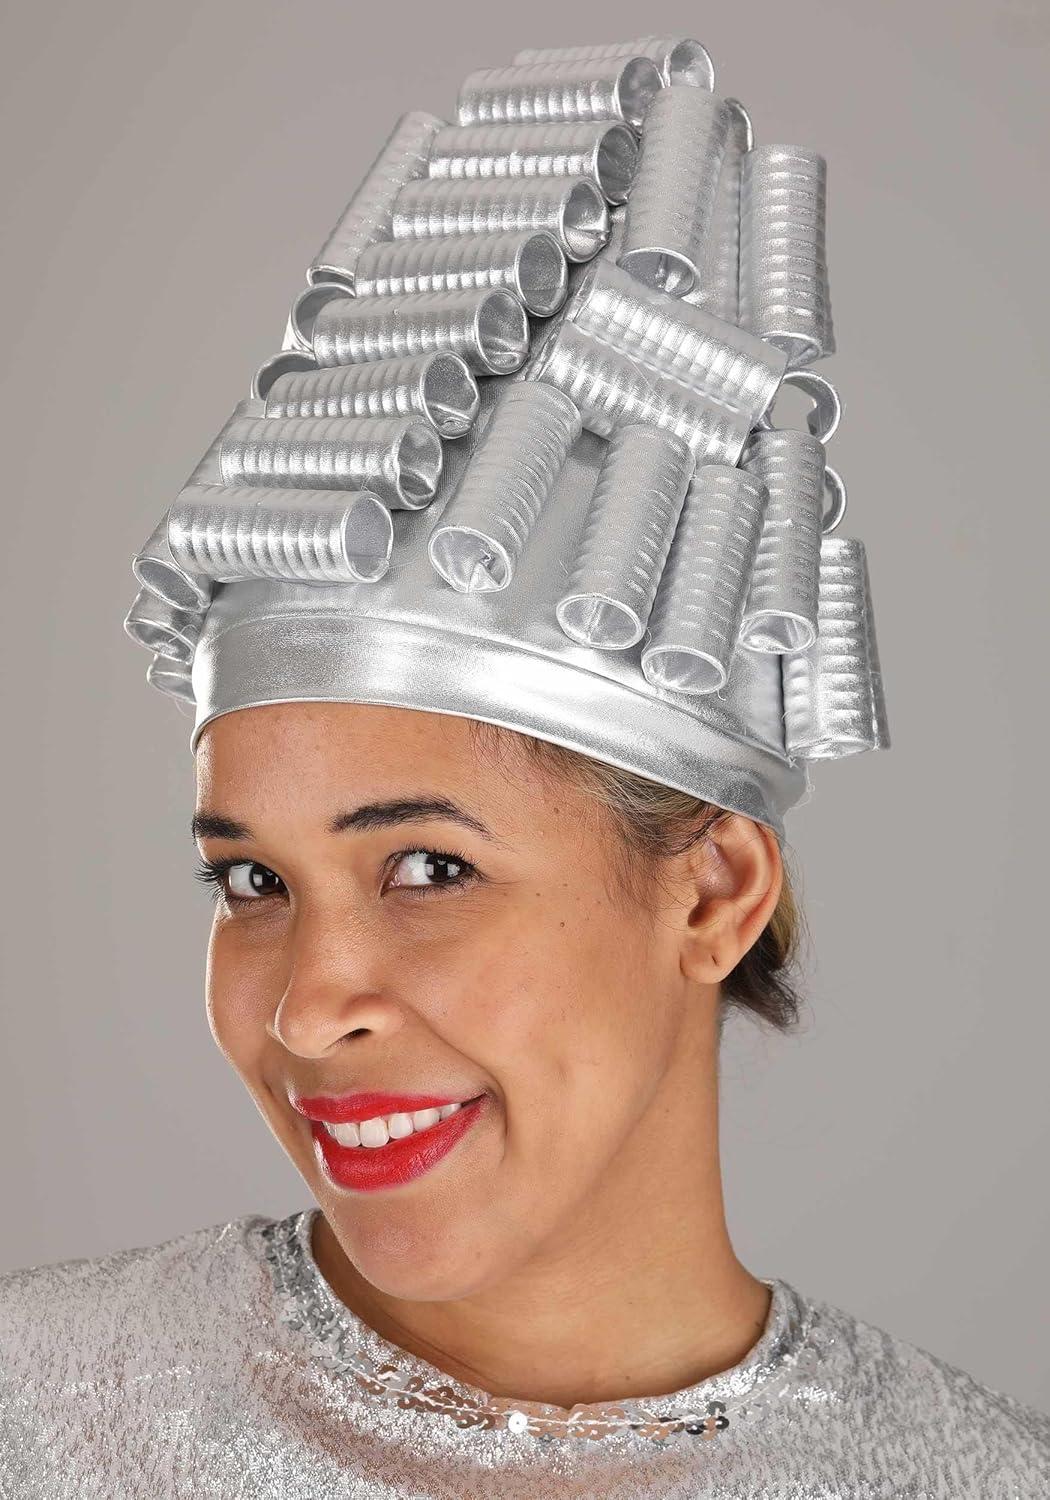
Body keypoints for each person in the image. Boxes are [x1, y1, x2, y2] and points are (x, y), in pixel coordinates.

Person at [2, 32, 1047, 1500]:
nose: (309, 1006)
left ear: (713, 893)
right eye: (251, 881)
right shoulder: (39, 1416)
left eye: (427, 867)